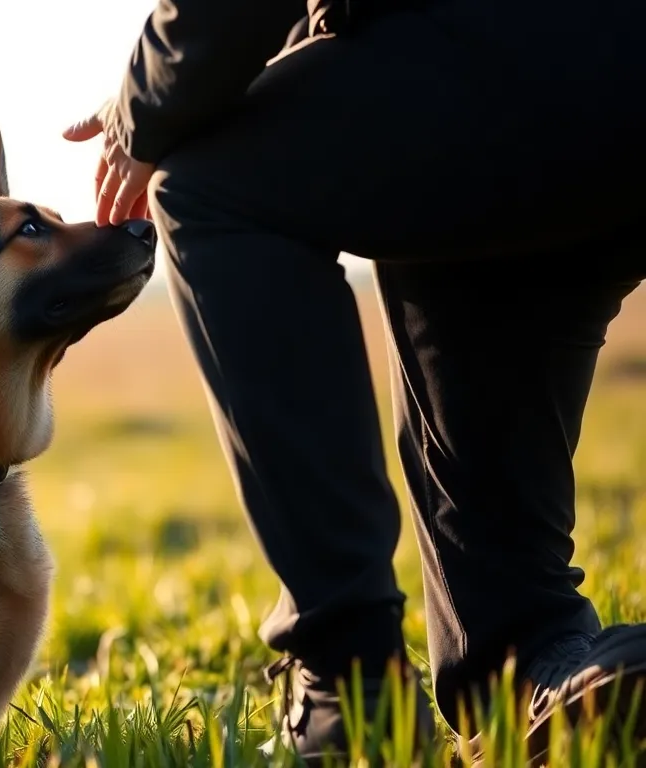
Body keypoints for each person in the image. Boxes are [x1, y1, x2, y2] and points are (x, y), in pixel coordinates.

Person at [62, 0, 646, 761]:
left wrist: (148, 109)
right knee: (506, 625)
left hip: (529, 49)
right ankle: (536, 667)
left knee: (207, 182)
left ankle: (351, 673)